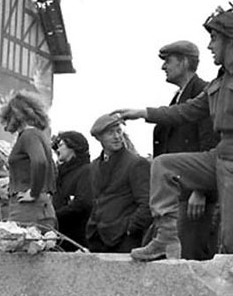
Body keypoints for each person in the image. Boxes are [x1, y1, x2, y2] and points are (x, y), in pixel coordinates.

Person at [117, 4, 233, 261]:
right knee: (163, 166)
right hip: (219, 156)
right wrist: (143, 112)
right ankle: (165, 238)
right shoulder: (218, 83)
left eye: (214, 39)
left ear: (230, 41)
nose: (210, 46)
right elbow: (185, 111)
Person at [135, 40, 219, 261]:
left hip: (193, 198)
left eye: (168, 61)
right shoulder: (181, 97)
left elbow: (210, 145)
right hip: (178, 198)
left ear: (183, 62)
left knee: (190, 259)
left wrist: (201, 191)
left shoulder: (203, 92)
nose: (164, 67)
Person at [85, 113, 151, 253]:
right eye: (110, 133)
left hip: (125, 241)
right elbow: (98, 200)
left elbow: (147, 203)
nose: (117, 136)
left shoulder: (136, 163)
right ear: (98, 138)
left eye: (119, 131)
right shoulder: (95, 165)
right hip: (98, 240)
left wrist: (129, 228)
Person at [0, 89, 57, 230]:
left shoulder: (29, 135)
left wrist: (33, 193)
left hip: (28, 209)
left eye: (7, 118)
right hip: (38, 207)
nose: (5, 125)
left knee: (17, 246)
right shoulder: (39, 136)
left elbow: (39, 162)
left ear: (16, 115)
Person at [52, 131, 93, 249]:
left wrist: (53, 216)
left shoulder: (86, 171)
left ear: (73, 147)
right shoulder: (61, 173)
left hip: (76, 238)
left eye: (60, 145)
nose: (57, 150)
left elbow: (82, 203)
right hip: (60, 235)